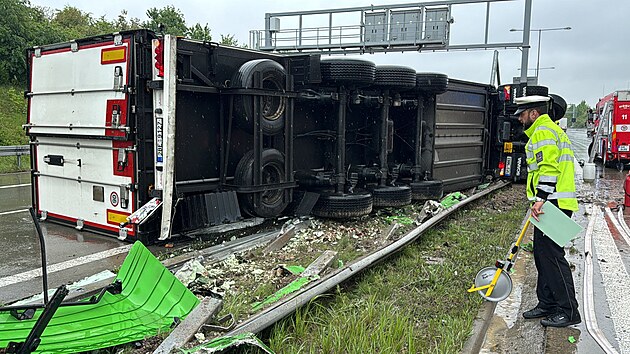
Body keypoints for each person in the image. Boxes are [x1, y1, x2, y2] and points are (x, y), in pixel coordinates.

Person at [514, 95, 581, 328]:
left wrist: (541, 198)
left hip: (553, 203)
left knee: (552, 256)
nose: (520, 119)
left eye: (522, 114)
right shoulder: (547, 131)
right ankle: (548, 303)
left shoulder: (543, 131)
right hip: (551, 202)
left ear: (534, 113)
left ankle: (568, 310)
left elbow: (548, 168)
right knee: (542, 255)